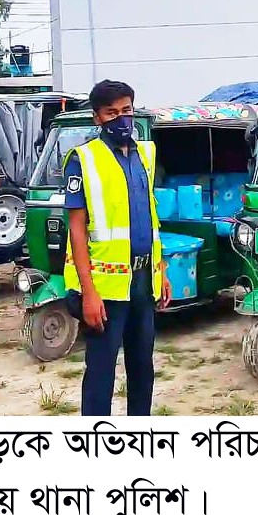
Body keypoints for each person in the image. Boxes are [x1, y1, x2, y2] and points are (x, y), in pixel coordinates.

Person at [62, 80, 172, 416]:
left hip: (142, 281)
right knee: (101, 374)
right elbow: (77, 230)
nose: (121, 118)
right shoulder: (83, 160)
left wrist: (161, 270)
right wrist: (88, 292)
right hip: (106, 288)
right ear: (97, 118)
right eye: (112, 113)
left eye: (126, 110)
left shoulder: (145, 155)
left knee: (143, 370)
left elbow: (149, 217)